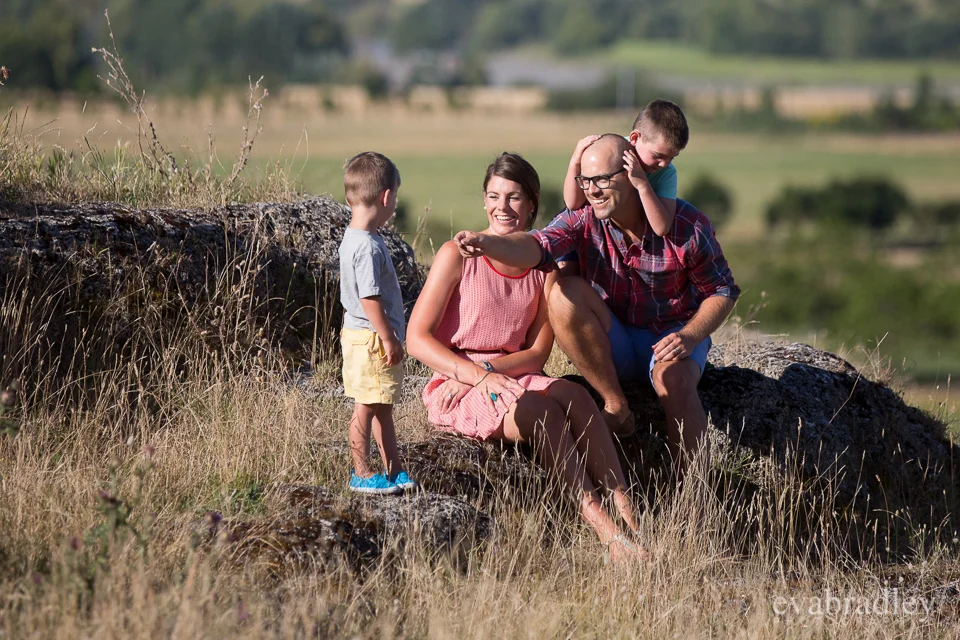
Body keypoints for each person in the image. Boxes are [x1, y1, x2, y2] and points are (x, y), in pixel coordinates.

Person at [407, 152, 648, 563]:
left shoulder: (545, 267)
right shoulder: (457, 254)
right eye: (494, 196)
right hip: (456, 382)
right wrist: (471, 375)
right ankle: (606, 533)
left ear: (533, 204)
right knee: (542, 411)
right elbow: (416, 338)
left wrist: (487, 372)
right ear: (484, 202)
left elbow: (536, 354)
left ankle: (632, 517)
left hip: (509, 373)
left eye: (515, 197)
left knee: (576, 396)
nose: (503, 207)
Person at [455, 135, 740, 477]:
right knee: (562, 291)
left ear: (632, 175)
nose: (592, 190)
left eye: (602, 180)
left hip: (672, 336)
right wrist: (487, 243)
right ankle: (616, 405)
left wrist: (691, 336)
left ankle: (692, 497)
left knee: (675, 381)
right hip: (613, 340)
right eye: (586, 181)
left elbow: (722, 290)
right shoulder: (580, 220)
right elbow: (537, 245)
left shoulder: (686, 224)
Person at [339, 151, 418, 495]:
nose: (395, 205)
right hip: (372, 338)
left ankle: (393, 469)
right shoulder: (368, 247)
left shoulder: (353, 238)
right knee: (367, 405)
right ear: (386, 197)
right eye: (395, 198)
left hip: (363, 336)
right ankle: (361, 471)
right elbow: (369, 299)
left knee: (382, 405)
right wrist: (388, 337)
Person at [562, 99, 689, 239]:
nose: (664, 164)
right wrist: (574, 162)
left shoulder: (666, 173)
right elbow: (572, 204)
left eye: (671, 158)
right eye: (658, 156)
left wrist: (642, 185)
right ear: (634, 138)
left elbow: (661, 228)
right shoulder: (609, 153)